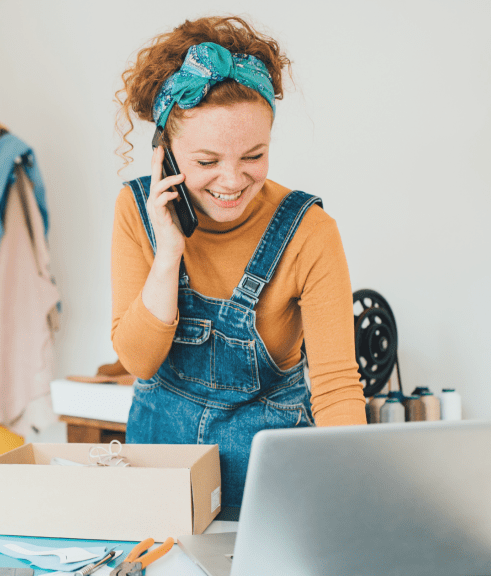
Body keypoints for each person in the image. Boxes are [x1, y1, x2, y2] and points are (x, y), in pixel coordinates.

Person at [111, 16, 367, 507]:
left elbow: (336, 385)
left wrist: (355, 497)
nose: (231, 180)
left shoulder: (309, 232)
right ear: (163, 153)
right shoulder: (136, 213)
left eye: (254, 155)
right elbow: (139, 360)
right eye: (206, 161)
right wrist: (169, 253)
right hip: (160, 492)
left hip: (272, 495)